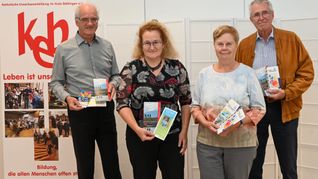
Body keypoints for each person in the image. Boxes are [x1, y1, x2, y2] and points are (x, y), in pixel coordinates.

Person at [235, 0, 315, 179]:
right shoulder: (245, 45)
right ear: (251, 19)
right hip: (256, 110)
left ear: (272, 15)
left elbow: (307, 73)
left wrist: (286, 93)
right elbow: (238, 78)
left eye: (265, 13)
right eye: (256, 14)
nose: (261, 17)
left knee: (288, 166)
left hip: (285, 108)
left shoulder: (291, 39)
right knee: (254, 165)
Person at [49, 3, 122, 179]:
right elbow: (55, 83)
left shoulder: (107, 46)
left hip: (105, 110)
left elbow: (116, 75)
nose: (90, 23)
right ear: (77, 22)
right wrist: (67, 98)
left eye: (94, 19)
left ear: (98, 21)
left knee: (112, 164)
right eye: (85, 19)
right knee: (85, 165)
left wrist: (113, 84)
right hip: (80, 111)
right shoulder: (63, 49)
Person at [116, 19, 192, 179]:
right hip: (140, 136)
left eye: (156, 42)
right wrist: (137, 130)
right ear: (141, 45)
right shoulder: (131, 69)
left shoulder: (177, 68)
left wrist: (184, 131)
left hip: (172, 135)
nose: (152, 47)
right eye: (147, 43)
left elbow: (186, 102)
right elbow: (122, 104)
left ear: (164, 43)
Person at [191, 25, 266, 179]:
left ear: (236, 45)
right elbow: (195, 106)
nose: (224, 48)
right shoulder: (204, 74)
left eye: (228, 44)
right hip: (208, 144)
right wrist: (204, 122)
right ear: (214, 46)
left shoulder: (248, 74)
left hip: (241, 145)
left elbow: (259, 109)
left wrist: (236, 124)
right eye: (220, 44)